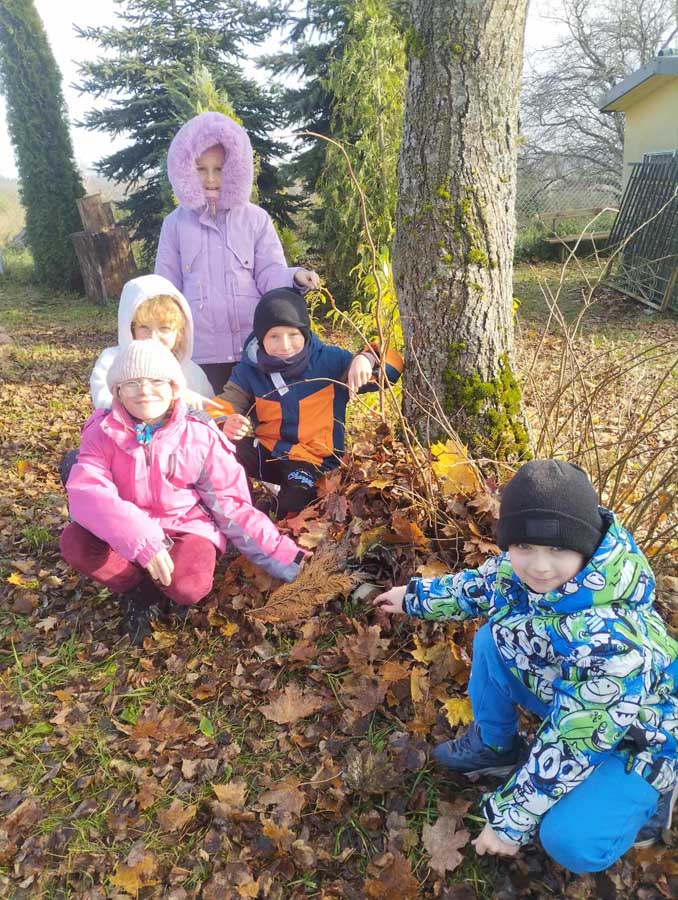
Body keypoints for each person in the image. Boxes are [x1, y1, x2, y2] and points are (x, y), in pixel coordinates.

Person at [373, 460, 678, 873]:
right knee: (492, 639)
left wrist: (510, 822)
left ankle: (653, 798)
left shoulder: (614, 642)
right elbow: (478, 587)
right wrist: (413, 597)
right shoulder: (525, 573)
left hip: (641, 737)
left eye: (558, 549)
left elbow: (575, 740)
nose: (539, 566)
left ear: (586, 546)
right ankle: (497, 746)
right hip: (581, 701)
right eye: (524, 547)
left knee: (568, 839)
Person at [61, 340, 305, 646]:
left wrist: (286, 557)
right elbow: (87, 490)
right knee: (76, 543)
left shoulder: (199, 434)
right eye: (132, 383)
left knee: (189, 586)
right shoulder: (102, 431)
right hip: (127, 526)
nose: (144, 391)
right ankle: (139, 589)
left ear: (174, 387)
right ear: (117, 391)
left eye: (156, 381)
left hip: (185, 526)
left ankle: (166, 584)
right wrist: (142, 540)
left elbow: (232, 505)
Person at [155, 111, 320, 394]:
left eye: (218, 169)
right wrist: (163, 340)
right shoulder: (175, 224)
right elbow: (166, 289)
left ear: (234, 168)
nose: (210, 178)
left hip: (251, 349)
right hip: (199, 354)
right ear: (185, 169)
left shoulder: (255, 219)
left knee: (252, 416)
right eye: (201, 169)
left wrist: (294, 277)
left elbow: (269, 273)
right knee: (208, 416)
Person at [211, 288, 403, 518]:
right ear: (261, 338)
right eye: (274, 336)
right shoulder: (249, 370)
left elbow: (393, 368)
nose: (284, 345)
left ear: (305, 332)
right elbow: (221, 406)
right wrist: (224, 422)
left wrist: (367, 357)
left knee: (294, 503)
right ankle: (240, 508)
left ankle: (273, 508)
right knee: (218, 451)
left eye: (293, 334)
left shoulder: (330, 361)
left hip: (314, 461)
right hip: (269, 452)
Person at [90, 273, 213, 409]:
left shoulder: (192, 372)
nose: (154, 337)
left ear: (179, 333)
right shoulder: (111, 361)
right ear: (131, 329)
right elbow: (104, 402)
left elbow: (211, 412)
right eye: (144, 327)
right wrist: (174, 399)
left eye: (164, 328)